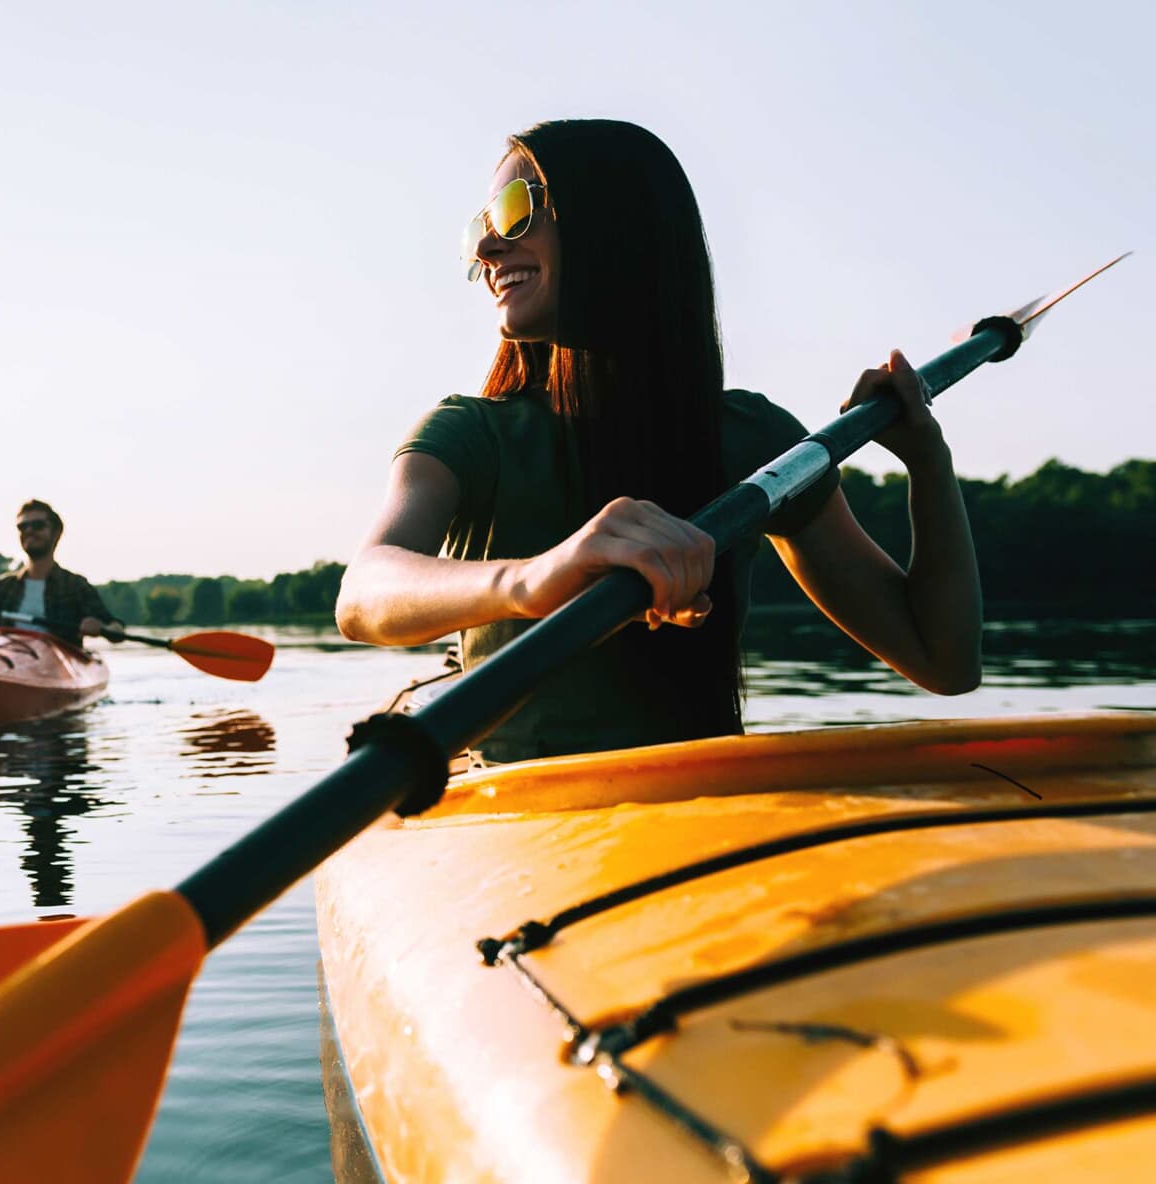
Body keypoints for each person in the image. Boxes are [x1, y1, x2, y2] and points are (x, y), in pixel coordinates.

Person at [335, 120, 981, 764]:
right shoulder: (469, 433)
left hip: (700, 808)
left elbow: (944, 661)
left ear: (614, 223)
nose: (489, 249)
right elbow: (362, 597)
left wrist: (928, 460)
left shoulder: (754, 442)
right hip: (510, 818)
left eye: (515, 212)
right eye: (483, 227)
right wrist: (534, 579)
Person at [0, 499, 125, 648]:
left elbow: (116, 628)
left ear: (56, 533)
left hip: (57, 661)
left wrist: (101, 627)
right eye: (23, 527)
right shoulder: (3, 587)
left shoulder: (75, 585)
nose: (29, 531)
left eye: (37, 525)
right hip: (7, 657)